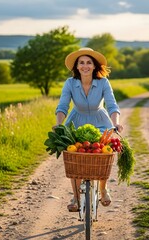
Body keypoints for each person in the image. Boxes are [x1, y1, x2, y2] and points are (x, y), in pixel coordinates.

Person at [53, 47, 123, 212]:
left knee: (104, 153)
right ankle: (76, 198)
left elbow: (112, 104)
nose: (85, 66)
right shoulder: (70, 83)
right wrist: (59, 124)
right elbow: (63, 105)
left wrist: (116, 123)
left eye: (88, 62)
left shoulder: (103, 82)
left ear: (94, 66)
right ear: (76, 67)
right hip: (76, 120)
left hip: (100, 121)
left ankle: (103, 189)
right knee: (74, 156)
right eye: (81, 63)